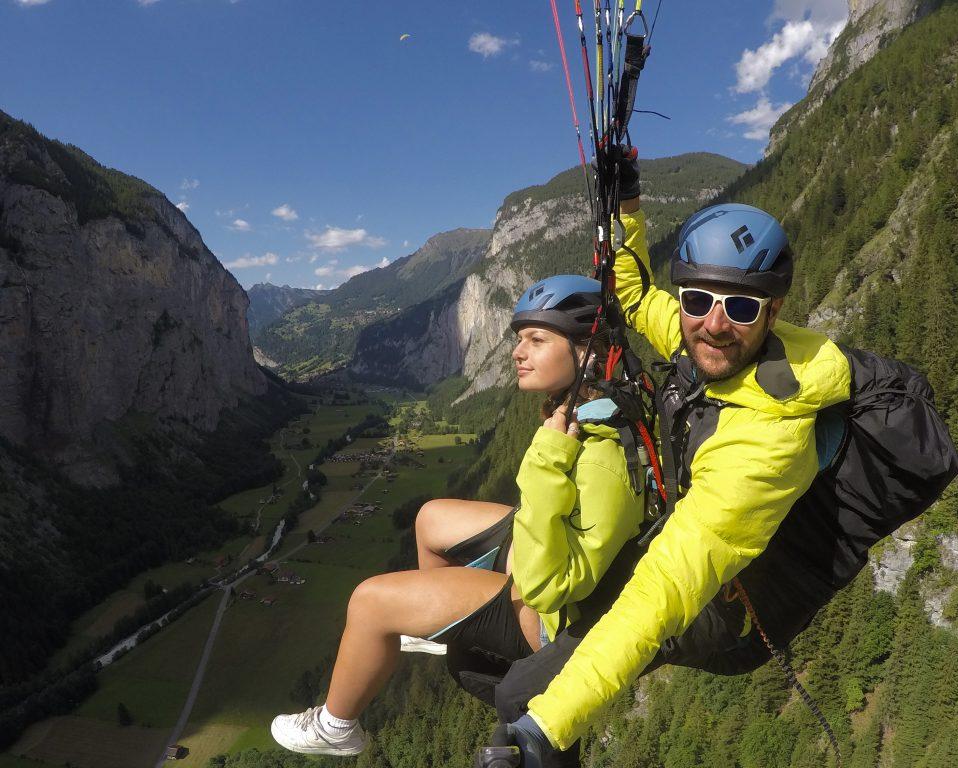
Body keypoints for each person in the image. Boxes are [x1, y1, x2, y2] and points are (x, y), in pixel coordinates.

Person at [486, 165, 858, 763]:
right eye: (697, 300)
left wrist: (549, 726)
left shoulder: (768, 440)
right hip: (672, 544)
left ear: (774, 308)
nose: (714, 323)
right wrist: (628, 207)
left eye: (740, 305)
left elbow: (667, 588)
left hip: (722, 606)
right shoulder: (704, 345)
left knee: (522, 698)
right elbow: (630, 295)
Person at [269, 275, 645, 757]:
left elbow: (547, 585)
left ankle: (336, 726)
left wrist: (548, 456)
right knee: (431, 519)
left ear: (588, 353)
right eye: (517, 339)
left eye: (536, 339)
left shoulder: (600, 457)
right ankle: (436, 624)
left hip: (549, 611)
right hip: (550, 549)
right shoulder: (591, 412)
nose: (516, 352)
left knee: (370, 601)